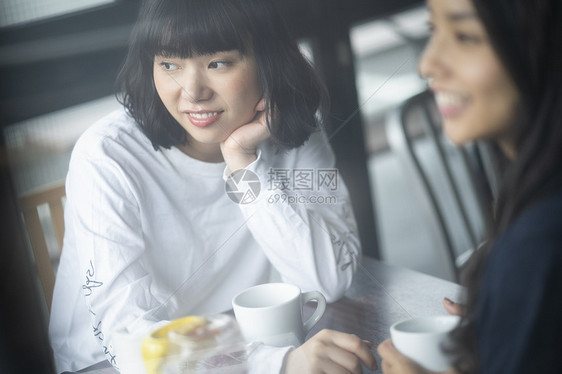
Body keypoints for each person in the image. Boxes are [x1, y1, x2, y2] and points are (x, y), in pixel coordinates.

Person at [48, 0, 361, 372]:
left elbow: (329, 281)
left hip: (239, 348)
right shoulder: (108, 156)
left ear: (268, 60)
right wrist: (278, 364)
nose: (192, 91)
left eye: (218, 63)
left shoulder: (291, 131)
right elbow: (125, 337)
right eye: (169, 65)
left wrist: (243, 161)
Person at [286, 0, 562, 372]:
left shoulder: (536, 246)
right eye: (434, 31)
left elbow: (329, 280)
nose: (427, 64)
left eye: (465, 36)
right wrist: (504, 324)